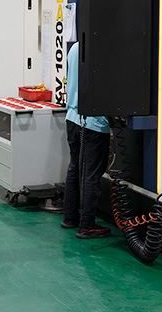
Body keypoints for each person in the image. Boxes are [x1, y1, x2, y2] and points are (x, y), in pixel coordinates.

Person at [61, 41, 111, 239]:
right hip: (93, 122)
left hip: (72, 118)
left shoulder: (75, 47)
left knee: (74, 167)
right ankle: (87, 225)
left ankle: (70, 217)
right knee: (91, 174)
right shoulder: (101, 49)